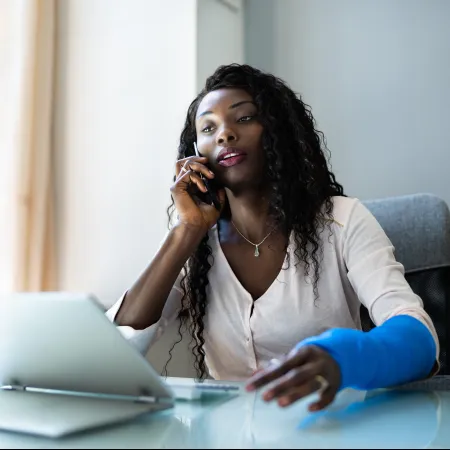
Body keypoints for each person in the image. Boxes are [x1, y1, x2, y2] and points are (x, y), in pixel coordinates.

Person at [107, 64, 438, 412]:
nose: (224, 135)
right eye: (208, 127)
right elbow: (117, 350)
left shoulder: (342, 220)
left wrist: (342, 356)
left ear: (278, 131)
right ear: (195, 151)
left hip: (331, 425)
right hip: (226, 434)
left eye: (245, 118)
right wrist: (185, 231)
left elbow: (418, 336)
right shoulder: (195, 242)